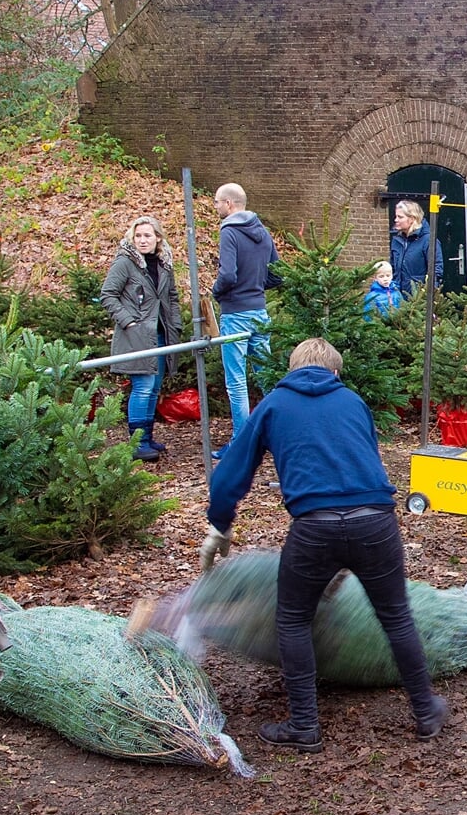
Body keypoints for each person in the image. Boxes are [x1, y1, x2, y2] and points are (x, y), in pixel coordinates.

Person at [201, 338, 449, 752]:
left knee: (293, 619)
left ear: (292, 370)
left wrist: (220, 525)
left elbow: (231, 473)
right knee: (396, 617)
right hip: (376, 521)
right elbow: (361, 458)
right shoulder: (352, 401)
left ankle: (304, 725)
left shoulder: (274, 406)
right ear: (334, 372)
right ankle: (425, 711)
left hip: (314, 527)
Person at [100, 216, 181, 462]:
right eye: (138, 236)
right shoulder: (125, 263)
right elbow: (108, 295)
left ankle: (147, 436)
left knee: (154, 388)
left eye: (147, 235)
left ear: (158, 238)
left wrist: (175, 324)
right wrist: (128, 321)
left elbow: (172, 297)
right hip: (136, 335)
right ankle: (138, 442)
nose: (142, 240)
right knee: (143, 387)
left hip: (160, 333)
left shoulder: (164, 264)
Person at [212, 182, 278, 443]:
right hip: (259, 312)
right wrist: (259, 287)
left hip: (235, 313)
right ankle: (277, 432)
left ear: (229, 204)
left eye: (217, 202)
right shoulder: (262, 231)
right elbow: (278, 272)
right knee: (267, 376)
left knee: (236, 381)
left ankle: (240, 441)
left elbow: (227, 274)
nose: (216, 206)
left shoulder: (229, 231)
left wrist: (218, 292)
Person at [389, 199, 443, 298]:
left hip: (419, 298)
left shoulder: (428, 240)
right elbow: (393, 268)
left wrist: (428, 294)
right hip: (397, 297)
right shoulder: (396, 240)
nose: (396, 220)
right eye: (396, 216)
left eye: (400, 217)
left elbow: (436, 270)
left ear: (412, 218)